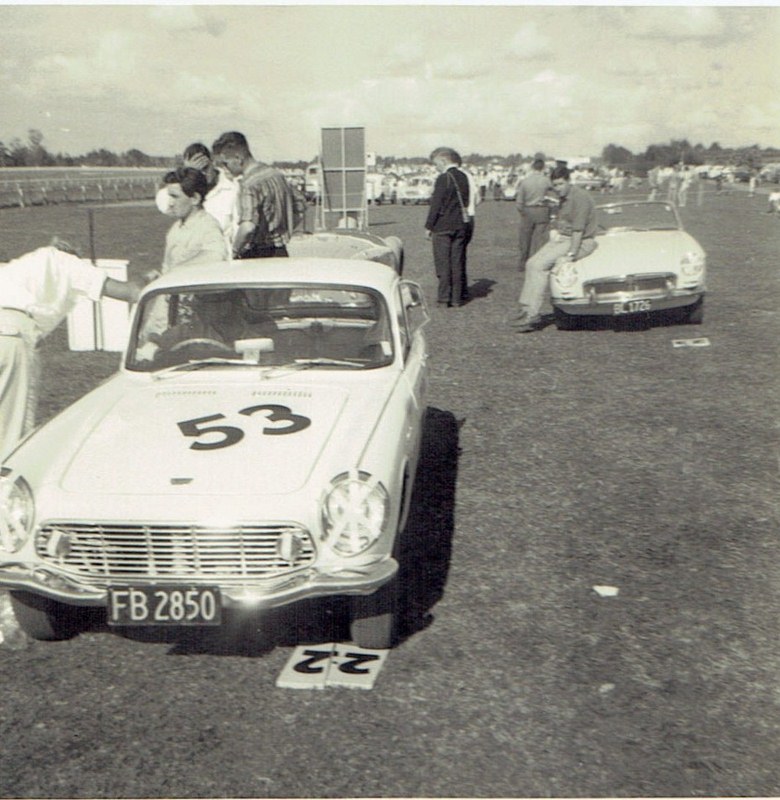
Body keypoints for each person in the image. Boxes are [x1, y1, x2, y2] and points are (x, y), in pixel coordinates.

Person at [0, 241, 145, 458]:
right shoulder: (68, 263)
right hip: (10, 332)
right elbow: (130, 292)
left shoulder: (21, 266)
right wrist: (147, 280)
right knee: (12, 426)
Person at [510, 165, 598, 333]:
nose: (557, 189)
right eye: (554, 185)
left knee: (538, 266)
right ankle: (526, 307)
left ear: (568, 181)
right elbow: (563, 221)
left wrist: (571, 255)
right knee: (530, 263)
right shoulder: (565, 197)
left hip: (580, 241)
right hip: (565, 238)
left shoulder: (579, 198)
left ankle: (532, 314)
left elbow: (578, 231)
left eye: (560, 184)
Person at [211, 131, 306, 259]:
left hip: (257, 254)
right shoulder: (276, 174)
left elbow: (248, 227)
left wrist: (233, 252)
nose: (225, 169)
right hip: (281, 251)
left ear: (238, 158)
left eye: (225, 163)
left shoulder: (249, 184)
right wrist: (283, 228)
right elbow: (300, 205)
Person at [425, 147, 471, 308]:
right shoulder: (464, 177)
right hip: (460, 224)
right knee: (457, 262)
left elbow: (436, 204)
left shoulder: (443, 178)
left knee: (443, 263)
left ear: (444, 161)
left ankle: (444, 297)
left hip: (443, 226)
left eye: (436, 163)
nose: (435, 167)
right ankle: (457, 298)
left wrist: (429, 226)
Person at [160, 167, 227, 272]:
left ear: (195, 199)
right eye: (170, 196)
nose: (170, 203)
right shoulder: (176, 228)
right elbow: (167, 267)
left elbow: (217, 255)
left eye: (175, 197)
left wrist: (177, 269)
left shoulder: (207, 225)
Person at [182, 142, 239, 249]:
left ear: (212, 162)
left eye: (205, 168)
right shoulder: (186, 193)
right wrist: (188, 174)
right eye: (197, 172)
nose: (202, 176)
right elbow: (165, 205)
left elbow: (238, 230)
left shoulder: (232, 189)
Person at [515, 158, 552, 272]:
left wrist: (522, 211)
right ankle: (538, 263)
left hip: (528, 210)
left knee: (525, 239)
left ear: (532, 167)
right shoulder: (546, 181)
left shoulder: (525, 181)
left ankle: (523, 262)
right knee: (540, 239)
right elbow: (554, 195)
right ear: (543, 168)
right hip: (542, 211)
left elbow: (519, 201)